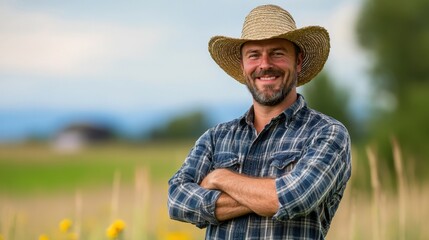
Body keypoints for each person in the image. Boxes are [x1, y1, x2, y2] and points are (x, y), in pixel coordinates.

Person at [168, 4, 352, 239]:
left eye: (277, 53)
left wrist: (219, 178)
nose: (265, 64)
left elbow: (295, 198)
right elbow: (177, 199)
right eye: (254, 55)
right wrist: (268, 194)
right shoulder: (216, 138)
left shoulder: (327, 133)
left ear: (298, 61)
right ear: (244, 66)